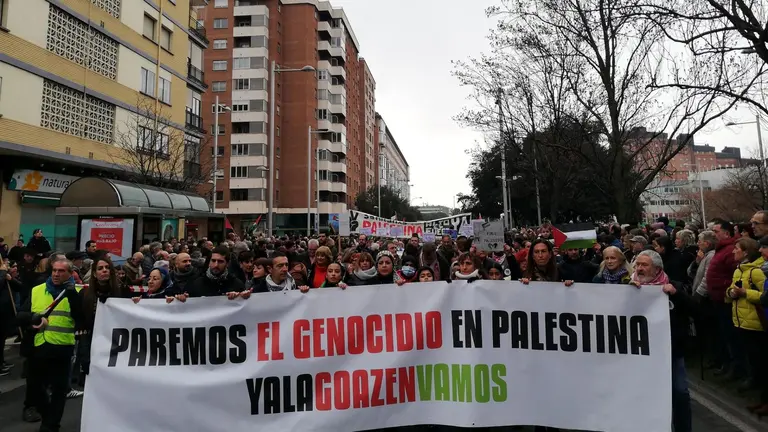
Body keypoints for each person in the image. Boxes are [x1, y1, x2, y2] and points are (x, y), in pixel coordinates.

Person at [16, 258, 83, 432]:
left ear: (70, 274)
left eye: (61, 271)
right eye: (54, 270)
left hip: (62, 348)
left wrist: (73, 296)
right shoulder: (38, 290)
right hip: (38, 347)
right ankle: (48, 417)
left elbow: (81, 319)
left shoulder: (76, 291)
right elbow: (19, 315)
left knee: (59, 392)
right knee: (36, 389)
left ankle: (51, 426)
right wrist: (32, 318)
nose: (56, 274)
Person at [630, 250, 692, 432]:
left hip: (671, 353)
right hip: (640, 353)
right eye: (637, 265)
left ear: (657, 269)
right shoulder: (628, 287)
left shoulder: (674, 286)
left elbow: (697, 311)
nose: (640, 269)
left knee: (679, 393)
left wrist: (675, 294)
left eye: (644, 265)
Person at [724, 237, 767, 400]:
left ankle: (760, 383)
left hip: (755, 321)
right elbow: (729, 290)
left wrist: (745, 293)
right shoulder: (738, 270)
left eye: (737, 248)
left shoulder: (756, 271)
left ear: (746, 252)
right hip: (740, 319)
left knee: (759, 355)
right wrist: (731, 293)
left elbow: (765, 295)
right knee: (749, 354)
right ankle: (753, 379)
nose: (734, 251)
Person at [79, 257, 126, 385]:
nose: (104, 270)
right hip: (92, 341)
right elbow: (82, 321)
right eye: (100, 268)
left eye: (107, 268)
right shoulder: (85, 294)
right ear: (94, 273)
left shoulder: (123, 291)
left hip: (115, 343)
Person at [707, 220, 741, 378]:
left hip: (726, 299)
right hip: (718, 299)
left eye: (716, 231)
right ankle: (727, 364)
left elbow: (735, 275)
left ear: (726, 233)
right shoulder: (721, 249)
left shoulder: (729, 250)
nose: (714, 235)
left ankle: (735, 367)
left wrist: (722, 285)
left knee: (731, 335)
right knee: (724, 334)